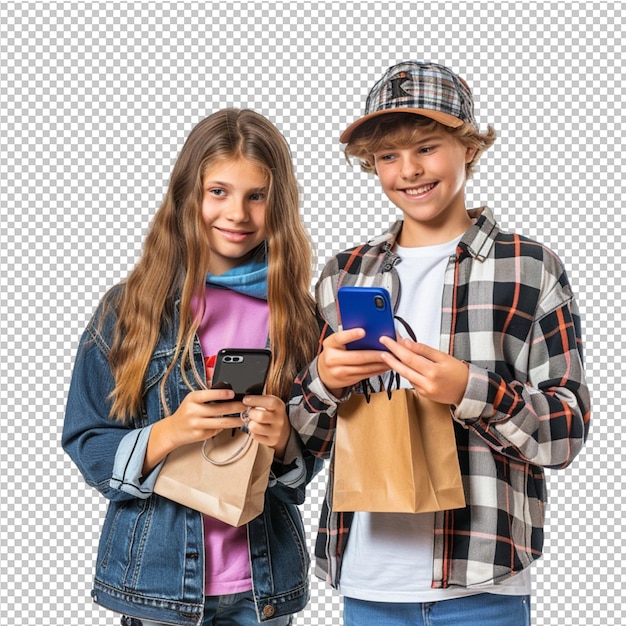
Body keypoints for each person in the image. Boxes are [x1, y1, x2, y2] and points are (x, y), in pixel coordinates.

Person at [288, 61, 590, 626]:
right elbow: (300, 447)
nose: (409, 171)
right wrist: (322, 386)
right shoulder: (342, 274)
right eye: (388, 157)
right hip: (367, 580)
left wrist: (468, 389)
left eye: (427, 147)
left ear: (469, 147)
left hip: (483, 585)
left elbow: (567, 433)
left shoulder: (528, 267)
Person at [63, 108, 321, 626]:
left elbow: (303, 468)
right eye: (218, 192)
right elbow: (86, 441)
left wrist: (286, 441)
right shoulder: (130, 308)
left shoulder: (297, 316)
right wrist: (170, 432)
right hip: (157, 585)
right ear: (189, 195)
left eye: (257, 196)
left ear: (280, 203)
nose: (238, 214)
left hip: (262, 585)